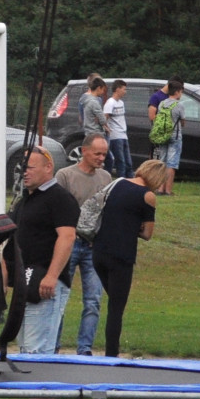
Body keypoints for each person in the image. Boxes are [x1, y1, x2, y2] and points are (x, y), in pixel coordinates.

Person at [9, 147, 79, 399]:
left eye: (30, 167)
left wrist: (52, 275)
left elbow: (67, 237)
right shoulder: (26, 200)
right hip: (26, 278)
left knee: (38, 346)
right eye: (22, 167)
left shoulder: (59, 198)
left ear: (48, 168)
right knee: (26, 342)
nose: (24, 171)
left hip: (46, 281)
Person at [92, 159, 164, 359]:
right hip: (121, 256)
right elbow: (148, 234)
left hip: (98, 251)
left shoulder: (118, 182)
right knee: (116, 308)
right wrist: (135, 227)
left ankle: (108, 350)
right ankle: (111, 354)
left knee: (113, 300)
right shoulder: (147, 196)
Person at [55, 134, 115, 357]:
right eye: (97, 153)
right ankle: (53, 346)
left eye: (104, 154)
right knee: (59, 299)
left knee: (93, 300)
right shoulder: (65, 175)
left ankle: (85, 349)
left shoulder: (106, 177)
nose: (102, 158)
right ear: (84, 151)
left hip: (93, 246)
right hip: (69, 244)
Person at [146, 78, 184, 196]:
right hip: (175, 136)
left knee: (162, 161)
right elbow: (182, 121)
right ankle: (168, 190)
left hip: (163, 136)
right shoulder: (178, 105)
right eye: (181, 92)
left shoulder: (162, 103)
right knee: (172, 163)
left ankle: (160, 189)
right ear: (177, 92)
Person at [104, 80, 131, 178]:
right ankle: (122, 181)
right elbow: (105, 117)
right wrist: (106, 128)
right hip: (115, 135)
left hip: (123, 134)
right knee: (121, 161)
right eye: (124, 89)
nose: (125, 91)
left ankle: (130, 181)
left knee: (128, 162)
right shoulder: (110, 103)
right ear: (117, 89)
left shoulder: (121, 103)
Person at [78, 74, 108, 144]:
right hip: (96, 132)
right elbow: (102, 119)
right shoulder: (95, 101)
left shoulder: (84, 99)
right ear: (98, 87)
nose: (103, 92)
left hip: (88, 131)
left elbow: (81, 117)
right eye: (103, 89)